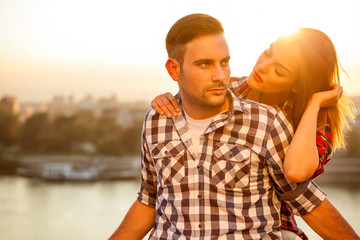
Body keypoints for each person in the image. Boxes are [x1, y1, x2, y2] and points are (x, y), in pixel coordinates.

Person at [109, 14, 359, 239]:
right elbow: (199, 93)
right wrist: (170, 101)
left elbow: (298, 183)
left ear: (296, 85)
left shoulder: (300, 123)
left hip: (277, 222)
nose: (262, 67)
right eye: (268, 53)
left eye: (279, 70)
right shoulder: (228, 89)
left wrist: (315, 103)